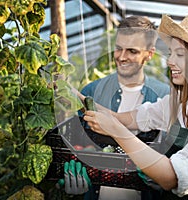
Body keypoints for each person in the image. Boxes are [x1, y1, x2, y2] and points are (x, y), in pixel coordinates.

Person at [83, 14, 188, 199]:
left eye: (180, 54)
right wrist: (74, 95)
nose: (170, 61)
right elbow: (124, 119)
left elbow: (171, 177)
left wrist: (117, 131)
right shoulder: (177, 102)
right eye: (171, 53)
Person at [62, 15, 169, 200]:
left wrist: (157, 180)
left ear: (149, 54)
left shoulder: (164, 97)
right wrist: (72, 183)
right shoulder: (91, 92)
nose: (122, 57)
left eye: (132, 51)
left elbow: (173, 165)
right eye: (119, 48)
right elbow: (75, 149)